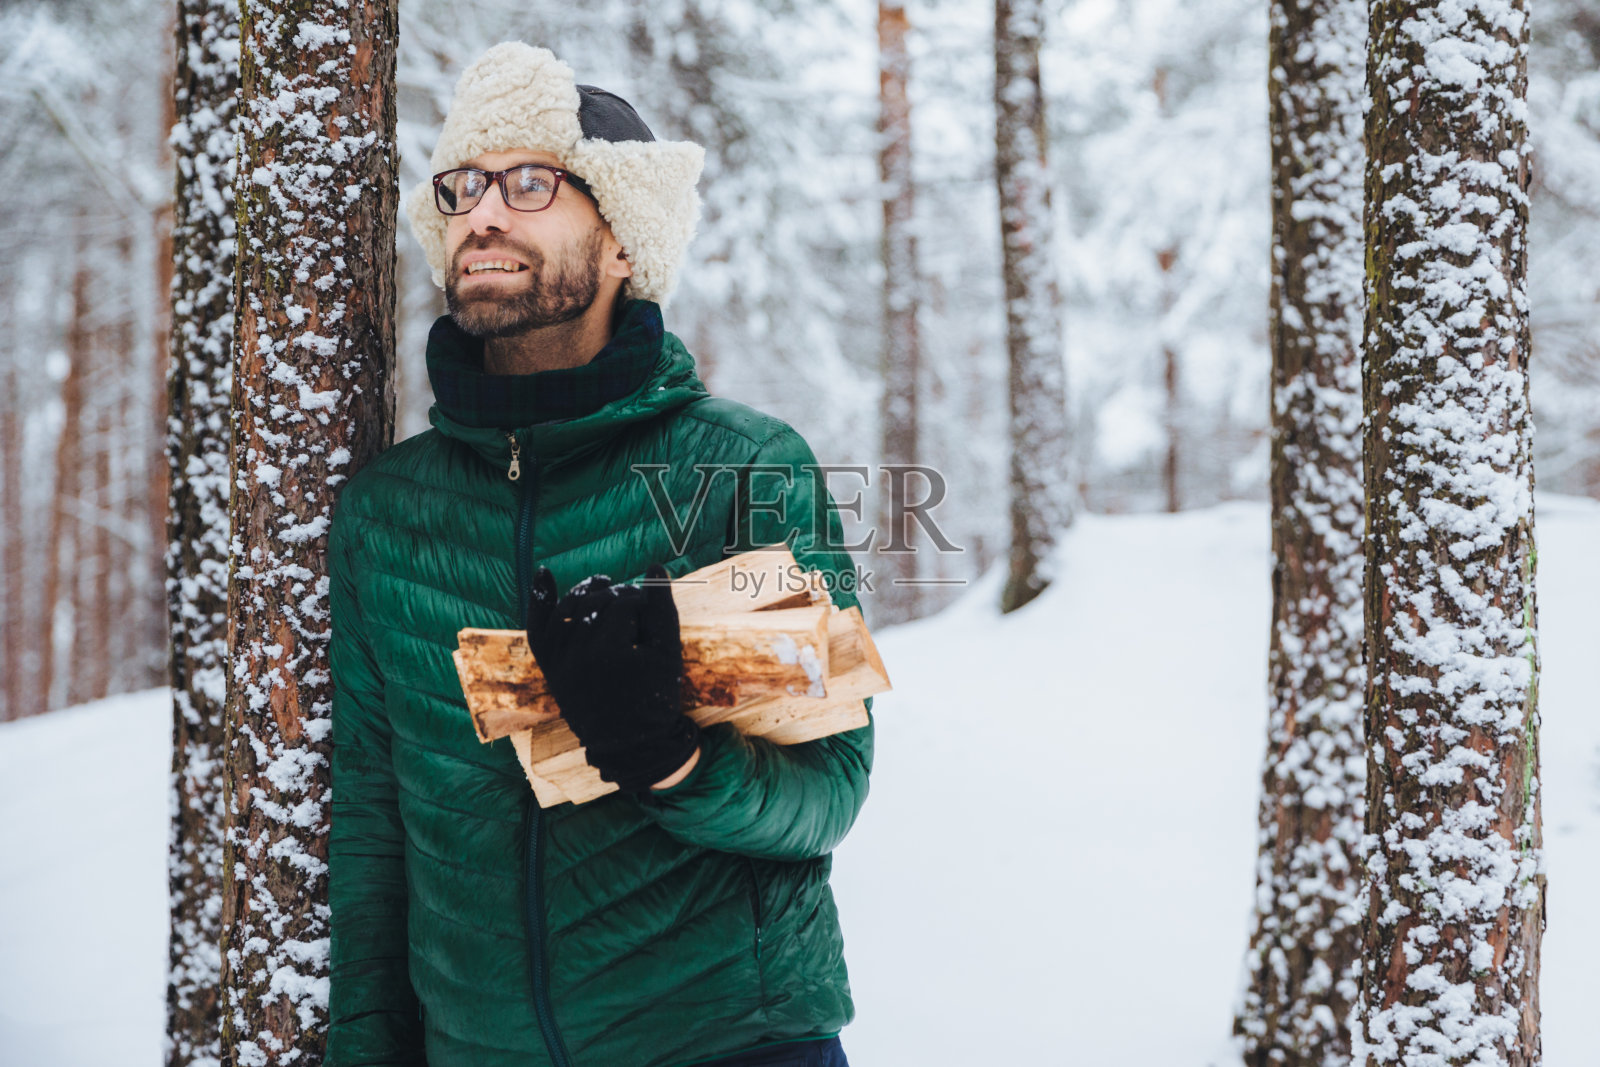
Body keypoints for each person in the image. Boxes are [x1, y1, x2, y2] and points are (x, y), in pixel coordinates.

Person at [326, 42, 871, 1067]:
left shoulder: (740, 469)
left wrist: (668, 756)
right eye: (462, 186)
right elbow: (370, 829)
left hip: (730, 1039)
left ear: (624, 240)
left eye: (530, 182)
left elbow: (826, 791)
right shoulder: (386, 513)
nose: (482, 214)